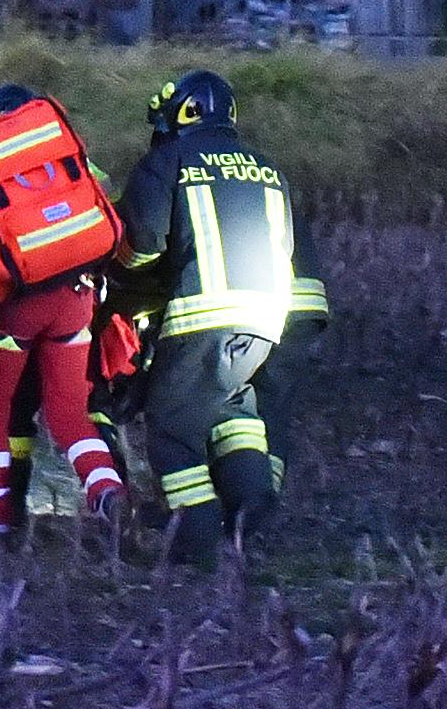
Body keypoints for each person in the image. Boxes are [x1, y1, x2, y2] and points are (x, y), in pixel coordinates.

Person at [115, 70, 328, 566]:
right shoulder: (267, 168)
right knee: (233, 412)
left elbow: (140, 243)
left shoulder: (168, 160)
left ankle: (197, 534)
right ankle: (252, 502)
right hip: (263, 323)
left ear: (177, 117)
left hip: (201, 319)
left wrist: (117, 266)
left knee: (172, 428)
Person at [0, 86, 126, 534]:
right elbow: (101, 190)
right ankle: (105, 489)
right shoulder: (44, 149)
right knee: (69, 413)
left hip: (16, 306)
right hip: (77, 298)